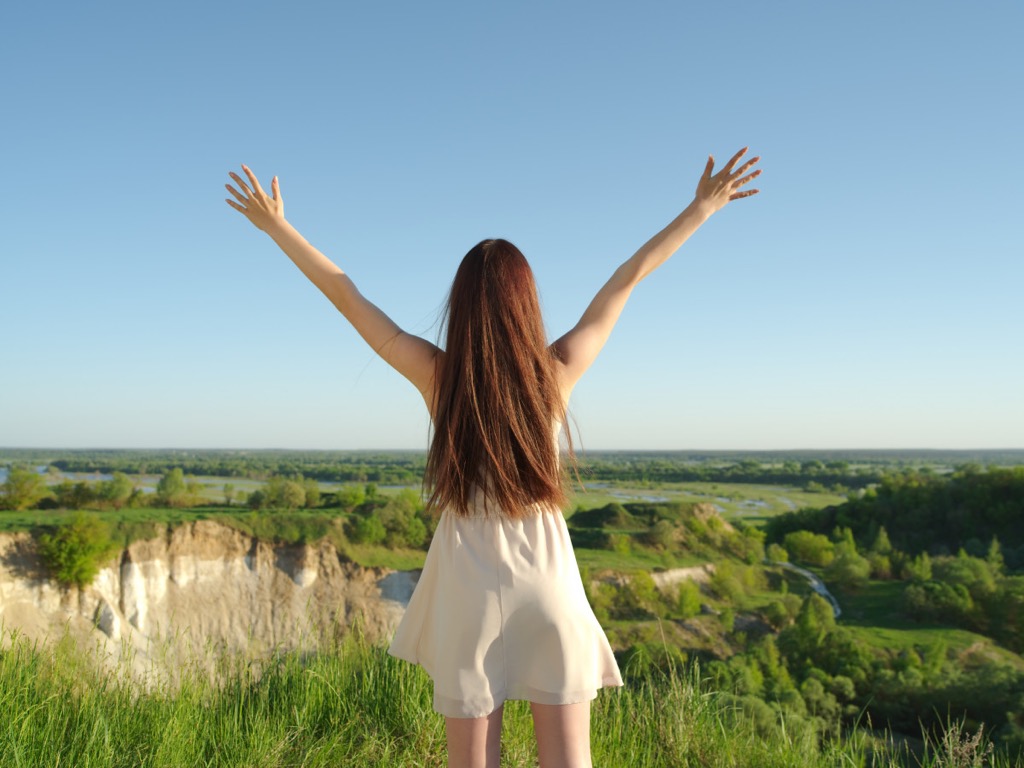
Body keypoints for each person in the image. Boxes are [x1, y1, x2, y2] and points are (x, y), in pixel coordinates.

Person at [225, 148, 760, 768]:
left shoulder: (439, 376)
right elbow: (626, 279)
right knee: (569, 762)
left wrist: (278, 228)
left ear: (461, 307)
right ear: (525, 305)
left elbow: (349, 298)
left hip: (467, 580)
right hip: (547, 575)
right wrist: (701, 209)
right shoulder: (556, 374)